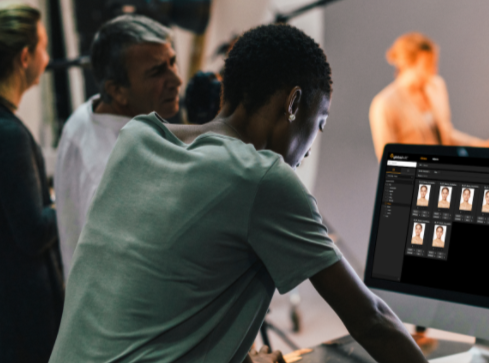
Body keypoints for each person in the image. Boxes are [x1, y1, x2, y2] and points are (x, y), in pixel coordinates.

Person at [48, 24, 428, 363]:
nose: (311, 146)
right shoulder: (261, 177)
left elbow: (167, 304)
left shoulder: (137, 139)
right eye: (320, 123)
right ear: (294, 103)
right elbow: (371, 320)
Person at [54, 14, 182, 278]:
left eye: (173, 62)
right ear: (117, 90)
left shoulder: (87, 115)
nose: (177, 80)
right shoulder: (113, 173)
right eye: (157, 71)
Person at [0, 4, 64, 362]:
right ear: (25, 56)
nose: (48, 55)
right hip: (25, 314)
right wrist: (64, 202)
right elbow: (32, 232)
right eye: (42, 45)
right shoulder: (9, 135)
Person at [369, 32, 483, 160]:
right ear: (407, 64)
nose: (434, 71)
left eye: (434, 64)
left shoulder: (436, 87)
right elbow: (385, 157)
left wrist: (480, 145)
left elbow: (447, 135)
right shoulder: (384, 104)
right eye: (427, 65)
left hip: (443, 171)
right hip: (415, 174)